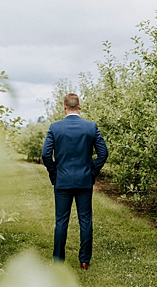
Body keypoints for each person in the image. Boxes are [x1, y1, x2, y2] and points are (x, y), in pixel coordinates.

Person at [41, 93, 108, 270]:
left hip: (62, 180)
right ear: (79, 106)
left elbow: (45, 155)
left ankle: (58, 261)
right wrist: (92, 173)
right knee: (85, 220)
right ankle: (84, 261)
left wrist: (54, 174)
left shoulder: (55, 128)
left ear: (64, 107)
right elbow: (103, 153)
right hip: (84, 180)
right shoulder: (91, 127)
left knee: (61, 221)